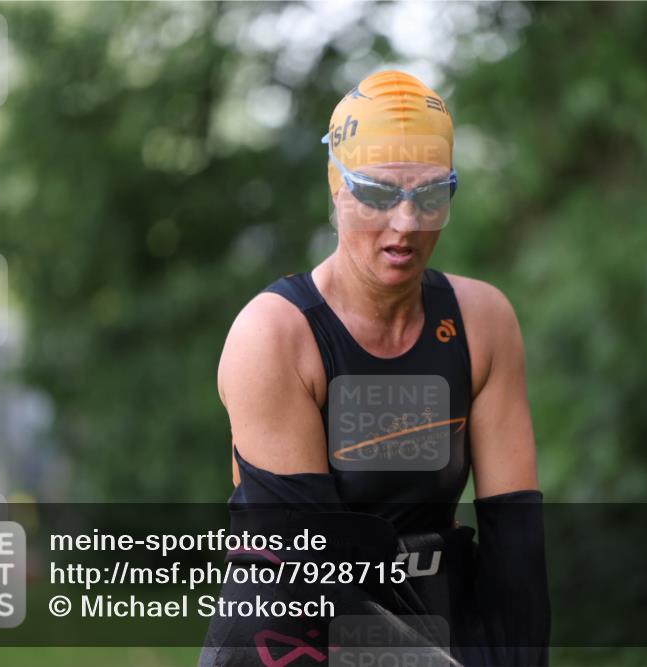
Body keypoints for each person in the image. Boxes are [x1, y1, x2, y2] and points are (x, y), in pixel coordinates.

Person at [201, 70, 550, 667]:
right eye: (379, 195)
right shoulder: (275, 337)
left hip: (435, 619)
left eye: (433, 195)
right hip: (289, 636)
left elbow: (515, 549)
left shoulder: (482, 321)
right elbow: (308, 574)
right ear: (337, 189)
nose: (407, 224)